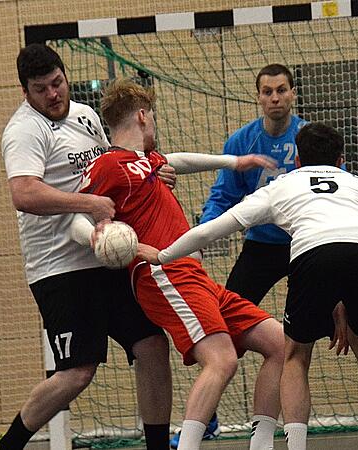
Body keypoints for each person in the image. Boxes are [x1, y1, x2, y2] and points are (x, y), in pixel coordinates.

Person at [190, 63, 358, 445]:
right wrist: (202, 240)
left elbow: (344, 205)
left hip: (309, 245)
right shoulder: (241, 143)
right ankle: (206, 417)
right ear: (258, 97)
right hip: (261, 246)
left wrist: (340, 296)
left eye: (281, 90)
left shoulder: (311, 140)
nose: (275, 97)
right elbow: (223, 198)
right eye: (267, 91)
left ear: (293, 94)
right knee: (223, 322)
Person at [138, 122, 358, 450]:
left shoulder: (284, 185)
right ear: (342, 161)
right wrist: (351, 288)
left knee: (295, 354)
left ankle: (295, 445)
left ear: (297, 160)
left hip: (314, 251)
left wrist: (164, 255)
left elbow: (214, 228)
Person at [68, 78, 285, 450]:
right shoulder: (109, 165)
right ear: (142, 116)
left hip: (194, 276)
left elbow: (178, 161)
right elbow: (75, 215)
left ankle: (261, 444)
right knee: (221, 361)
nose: (153, 124)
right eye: (151, 117)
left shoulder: (149, 161)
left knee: (280, 344)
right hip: (163, 273)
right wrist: (96, 237)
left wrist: (235, 161)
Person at [0, 44, 173, 450]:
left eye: (57, 83)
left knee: (153, 346)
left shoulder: (86, 117)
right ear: (25, 92)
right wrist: (88, 204)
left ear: (66, 77)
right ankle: (6, 444)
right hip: (60, 269)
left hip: (107, 257)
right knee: (77, 372)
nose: (53, 94)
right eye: (41, 89)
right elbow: (24, 194)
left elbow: (115, 166)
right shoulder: (23, 131)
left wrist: (155, 171)